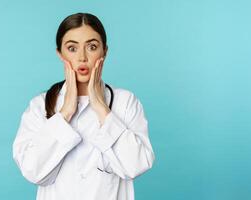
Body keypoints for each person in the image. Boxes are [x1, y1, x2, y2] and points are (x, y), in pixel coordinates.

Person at [12, 13, 155, 200]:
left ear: (105, 51)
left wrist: (102, 108)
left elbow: (136, 165)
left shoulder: (125, 102)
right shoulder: (39, 106)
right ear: (60, 54)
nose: (82, 57)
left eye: (92, 47)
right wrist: (65, 112)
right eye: (72, 48)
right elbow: (33, 171)